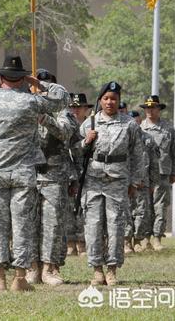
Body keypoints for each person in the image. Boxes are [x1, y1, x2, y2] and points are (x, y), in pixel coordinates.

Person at [0, 56, 69, 292]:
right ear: (22, 77)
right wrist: (41, 84)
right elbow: (62, 100)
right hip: (24, 173)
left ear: (1, 77)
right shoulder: (31, 102)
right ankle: (20, 278)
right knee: (22, 226)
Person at [78, 82, 144, 286]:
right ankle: (97, 269)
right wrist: (85, 142)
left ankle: (112, 269)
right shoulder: (89, 123)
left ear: (119, 101)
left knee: (116, 225)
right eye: (106, 98)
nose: (109, 102)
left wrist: (135, 181)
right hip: (93, 180)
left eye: (113, 98)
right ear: (100, 100)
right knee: (93, 225)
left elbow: (137, 154)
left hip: (118, 179)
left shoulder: (129, 124)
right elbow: (74, 152)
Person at [27, 70, 79, 286]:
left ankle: (50, 268)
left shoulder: (63, 112)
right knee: (28, 224)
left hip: (54, 174)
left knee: (52, 224)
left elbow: (65, 133)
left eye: (45, 87)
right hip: (28, 173)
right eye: (37, 87)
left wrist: (45, 119)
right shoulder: (26, 108)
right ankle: (31, 267)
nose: (40, 90)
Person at [139, 95, 175, 251]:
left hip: (163, 173)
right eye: (147, 108)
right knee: (143, 207)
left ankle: (157, 238)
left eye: (153, 107)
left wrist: (174, 172)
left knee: (160, 207)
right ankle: (144, 239)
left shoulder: (168, 129)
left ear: (159, 109)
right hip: (143, 173)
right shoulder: (139, 128)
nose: (150, 110)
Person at [123, 110, 159, 254]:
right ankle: (126, 242)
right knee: (125, 212)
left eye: (137, 122)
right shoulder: (122, 138)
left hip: (143, 183)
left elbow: (154, 163)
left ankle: (138, 241)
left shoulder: (148, 139)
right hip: (124, 182)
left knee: (141, 212)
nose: (135, 124)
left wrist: (153, 182)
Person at [65, 93, 93, 256]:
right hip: (69, 172)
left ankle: (82, 243)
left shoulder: (92, 125)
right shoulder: (66, 125)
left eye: (79, 107)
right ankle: (70, 242)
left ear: (85, 109)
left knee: (84, 208)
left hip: (88, 171)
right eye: (73, 107)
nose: (75, 110)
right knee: (69, 209)